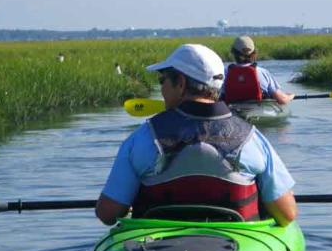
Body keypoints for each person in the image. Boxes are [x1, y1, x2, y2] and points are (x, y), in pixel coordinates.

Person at [96, 43, 298, 227]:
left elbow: (107, 214)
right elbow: (287, 214)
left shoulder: (144, 137)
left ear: (181, 83)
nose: (162, 88)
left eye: (163, 80)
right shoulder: (251, 138)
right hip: (236, 246)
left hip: (153, 250)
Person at [221, 36, 294, 105]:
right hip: (259, 109)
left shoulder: (224, 72)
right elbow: (282, 100)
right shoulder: (262, 72)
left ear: (233, 52)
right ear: (253, 53)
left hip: (231, 109)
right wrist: (290, 96)